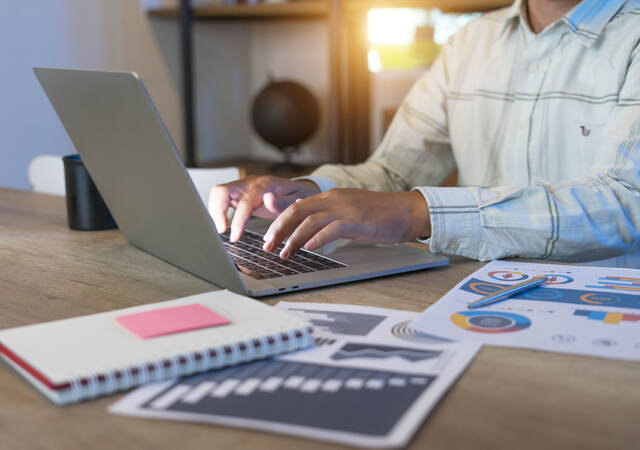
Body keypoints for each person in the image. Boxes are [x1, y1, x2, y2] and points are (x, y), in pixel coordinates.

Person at [209, 0, 640, 262]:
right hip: (475, 294)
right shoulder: (469, 44)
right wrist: (305, 195)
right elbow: (394, 173)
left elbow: (623, 205)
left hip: (603, 309)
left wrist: (416, 213)